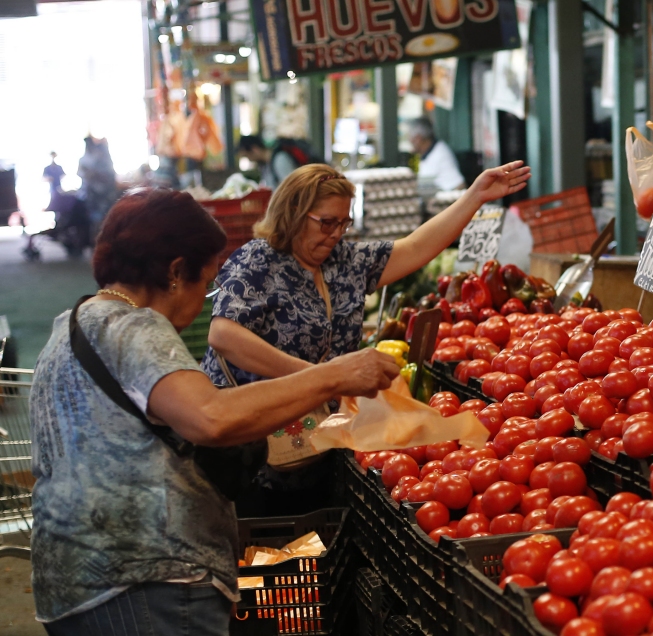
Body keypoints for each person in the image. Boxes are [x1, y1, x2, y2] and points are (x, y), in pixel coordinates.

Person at [29, 189, 401, 635]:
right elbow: (211, 417)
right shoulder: (135, 326)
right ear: (174, 272)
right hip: (143, 579)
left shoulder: (72, 326)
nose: (204, 297)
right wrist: (333, 376)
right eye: (204, 282)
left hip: (74, 579)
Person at [202, 160, 530, 514]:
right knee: (263, 529)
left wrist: (475, 196)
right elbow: (223, 334)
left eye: (343, 223)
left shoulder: (345, 261)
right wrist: (317, 377)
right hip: (253, 446)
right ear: (293, 213)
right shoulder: (258, 260)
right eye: (326, 222)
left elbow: (417, 247)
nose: (335, 234)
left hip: (317, 441)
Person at [409, 117, 466, 191]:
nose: (410, 141)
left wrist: (440, 201)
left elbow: (460, 185)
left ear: (418, 138)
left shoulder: (441, 153)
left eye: (412, 138)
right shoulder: (423, 155)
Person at [237, 134, 312, 188]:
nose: (250, 160)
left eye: (247, 156)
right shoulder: (265, 165)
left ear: (255, 149)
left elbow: (292, 187)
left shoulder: (280, 160)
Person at [76, 136, 118, 226]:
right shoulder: (84, 159)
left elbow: (109, 176)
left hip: (104, 195)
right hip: (92, 195)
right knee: (94, 221)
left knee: (106, 219)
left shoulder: (101, 159)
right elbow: (80, 173)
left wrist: (95, 174)